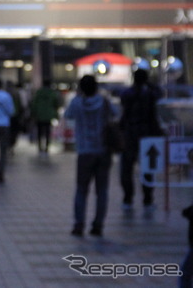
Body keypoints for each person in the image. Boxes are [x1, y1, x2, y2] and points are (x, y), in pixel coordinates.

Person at [64, 75, 114, 237]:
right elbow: (116, 113)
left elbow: (68, 115)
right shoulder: (104, 101)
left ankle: (79, 224)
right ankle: (98, 225)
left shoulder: (77, 102)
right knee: (102, 191)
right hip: (103, 150)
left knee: (81, 189)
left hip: (84, 152)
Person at [119, 68, 163, 212]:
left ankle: (127, 198)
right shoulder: (149, 94)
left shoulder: (127, 93)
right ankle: (148, 199)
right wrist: (149, 84)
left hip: (130, 133)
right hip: (146, 133)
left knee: (127, 168)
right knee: (147, 168)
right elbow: (159, 93)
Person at [30, 79, 62, 157]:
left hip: (39, 115)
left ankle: (40, 148)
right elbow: (56, 104)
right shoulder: (52, 93)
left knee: (40, 132)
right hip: (48, 115)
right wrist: (55, 114)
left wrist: (33, 114)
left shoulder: (39, 92)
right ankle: (46, 148)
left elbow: (34, 104)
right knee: (47, 132)